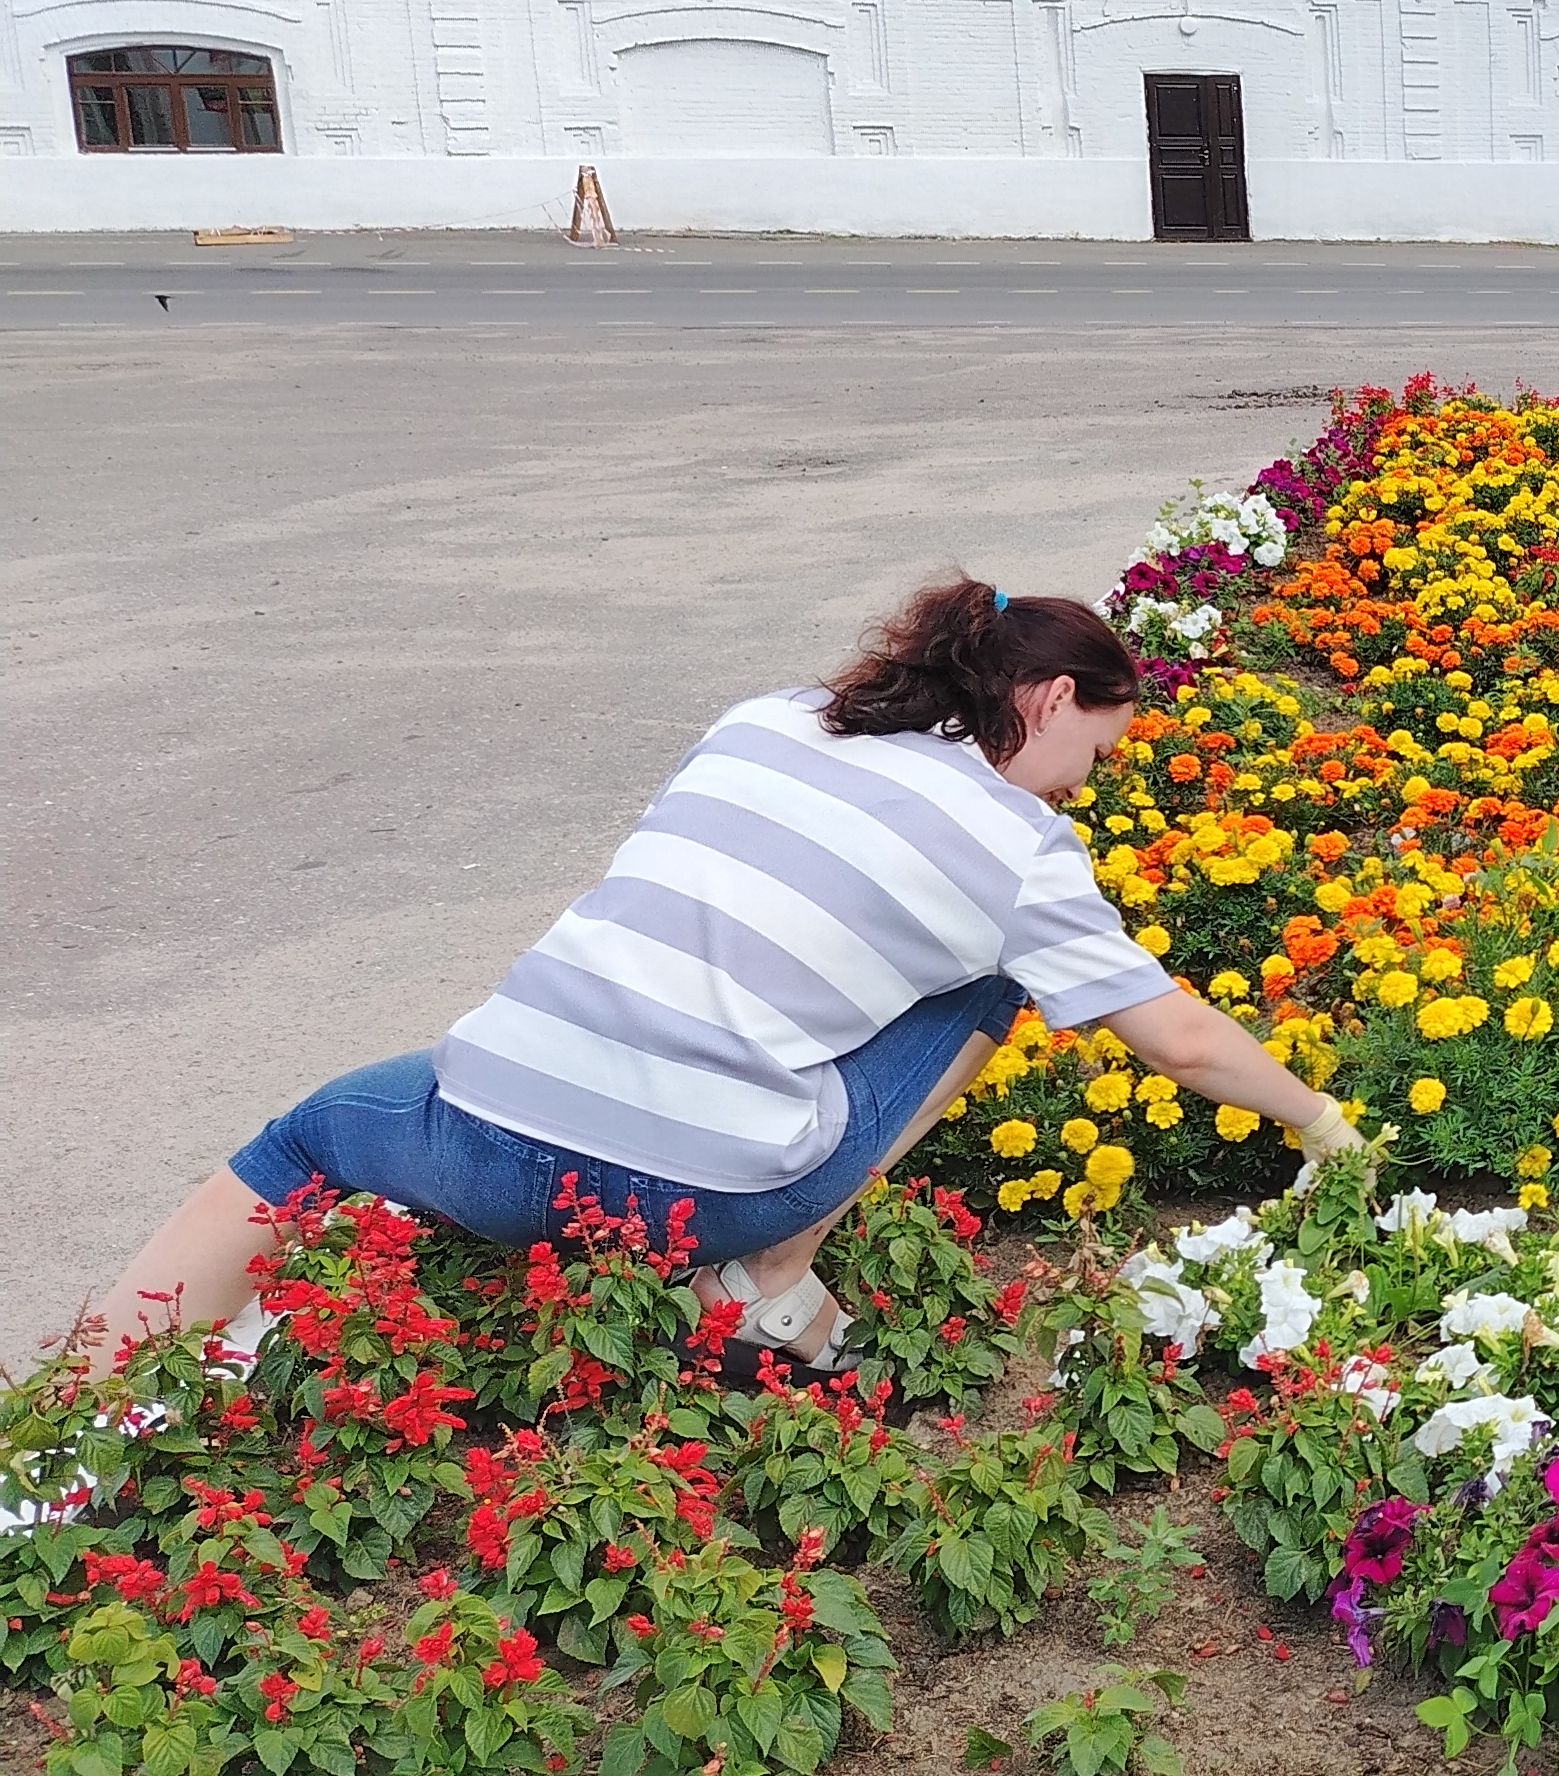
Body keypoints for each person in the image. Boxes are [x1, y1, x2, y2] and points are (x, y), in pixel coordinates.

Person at [87, 580, 1356, 1386]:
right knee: (989, 988)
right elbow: (1177, 1039)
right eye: (1095, 751)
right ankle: (762, 1287)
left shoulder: (769, 717)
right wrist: (1324, 1124)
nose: (1089, 783)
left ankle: (73, 1415)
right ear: (1052, 697)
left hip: (472, 1136)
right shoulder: (1020, 845)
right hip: (703, 1199)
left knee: (307, 1137)